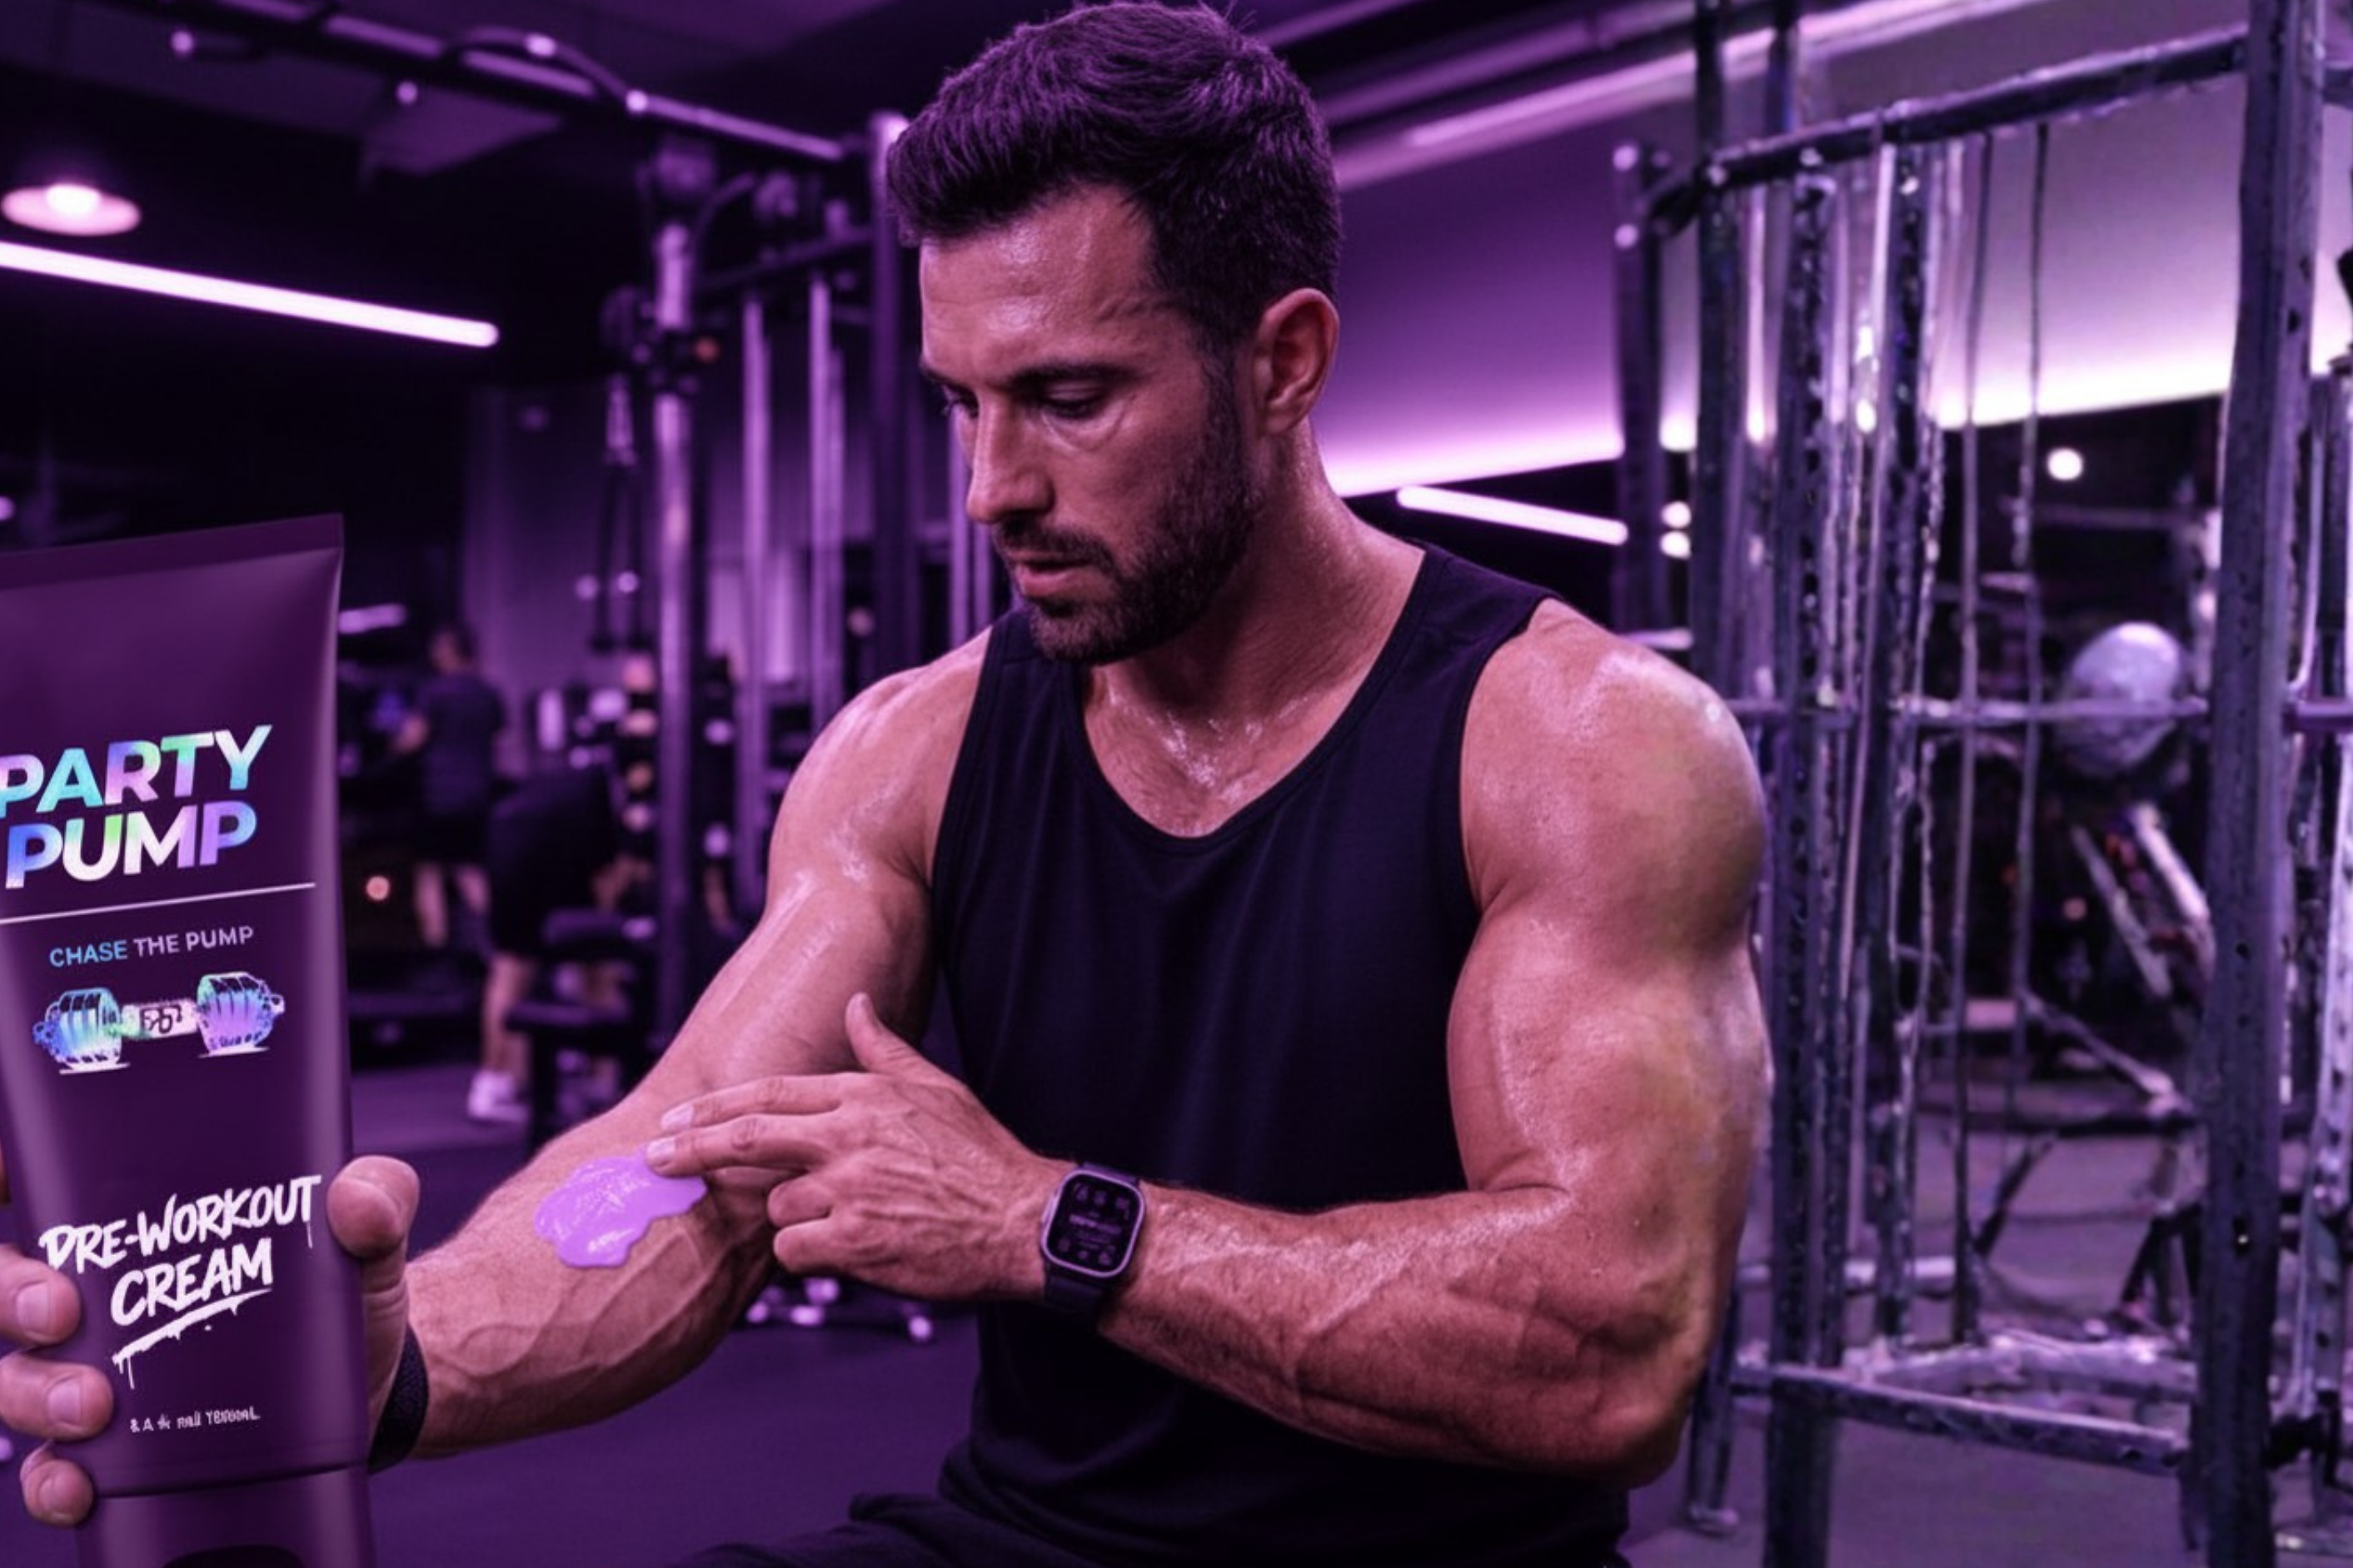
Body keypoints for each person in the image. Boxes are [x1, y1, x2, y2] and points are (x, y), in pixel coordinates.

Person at [0, 7, 1769, 1565]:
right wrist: (378, 1359)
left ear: (1282, 360)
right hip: (1022, 1531)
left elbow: (1605, 1343)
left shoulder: (1577, 740)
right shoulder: (910, 747)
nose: (990, 485)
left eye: (1068, 397)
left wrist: (1041, 1219)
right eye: (958, 401)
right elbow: (678, 1173)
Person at [391, 622, 506, 962]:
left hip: (440, 796)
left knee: (429, 871)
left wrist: (390, 749)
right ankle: (499, 941)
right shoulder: (488, 693)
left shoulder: (435, 693)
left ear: (447, 651)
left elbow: (412, 740)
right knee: (470, 870)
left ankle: (436, 950)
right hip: (478, 795)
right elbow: (499, 738)